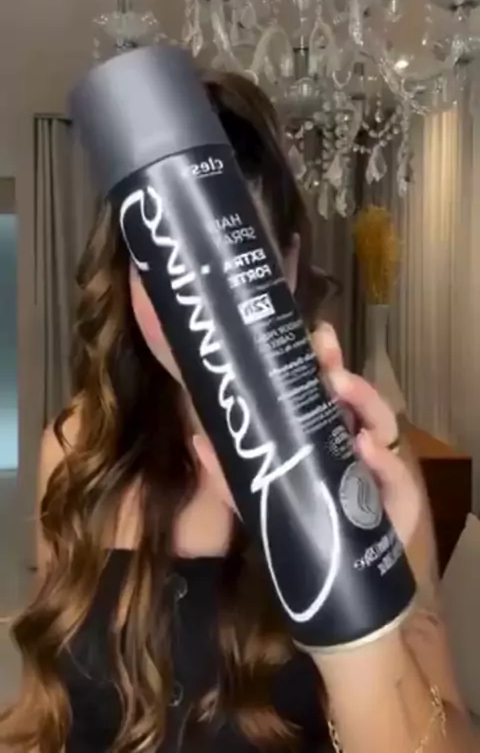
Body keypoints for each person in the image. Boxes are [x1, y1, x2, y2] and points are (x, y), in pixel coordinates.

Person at [0, 72, 474, 753]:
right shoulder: (75, 451)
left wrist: (352, 607)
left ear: (286, 263)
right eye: (163, 266)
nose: (198, 309)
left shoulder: (369, 472)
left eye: (231, 258)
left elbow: (447, 735)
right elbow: (45, 711)